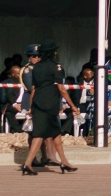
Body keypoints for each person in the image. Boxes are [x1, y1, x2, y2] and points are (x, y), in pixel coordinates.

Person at [19, 40, 79, 176]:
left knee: (55, 132)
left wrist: (31, 106)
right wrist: (73, 106)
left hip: (38, 104)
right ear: (53, 53)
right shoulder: (56, 67)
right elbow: (61, 89)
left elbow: (33, 89)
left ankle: (64, 162)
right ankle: (28, 163)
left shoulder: (36, 68)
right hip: (50, 104)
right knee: (40, 134)